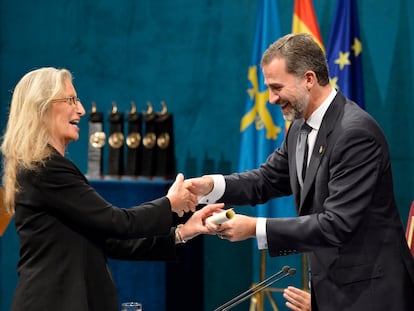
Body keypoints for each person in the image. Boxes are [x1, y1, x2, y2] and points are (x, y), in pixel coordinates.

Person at [187, 33, 414, 310]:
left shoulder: (355, 134)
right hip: (334, 289)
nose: (271, 99)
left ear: (308, 79)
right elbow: (267, 179)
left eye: (276, 87)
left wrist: (255, 228)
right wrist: (211, 186)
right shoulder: (299, 127)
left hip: (371, 293)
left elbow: (337, 224)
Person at [0, 67, 224, 311]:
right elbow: (116, 222)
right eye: (71, 100)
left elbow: (110, 240)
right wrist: (170, 203)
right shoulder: (45, 169)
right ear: (42, 107)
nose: (81, 110)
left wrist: (182, 232)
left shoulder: (47, 168)